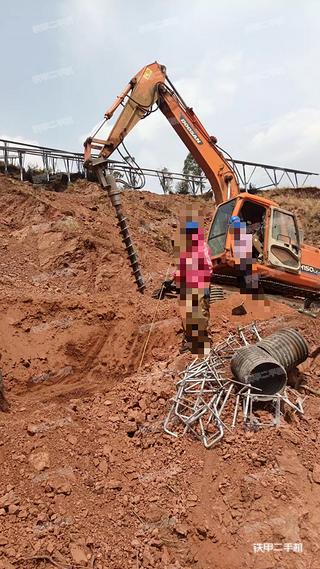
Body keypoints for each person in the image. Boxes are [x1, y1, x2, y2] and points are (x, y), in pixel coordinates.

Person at [174, 211, 212, 355]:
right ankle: (190, 342)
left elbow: (208, 267)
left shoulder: (202, 247)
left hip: (200, 284)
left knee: (200, 313)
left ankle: (201, 344)